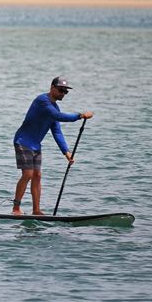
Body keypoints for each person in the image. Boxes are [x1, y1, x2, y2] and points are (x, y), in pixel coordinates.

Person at [11, 77, 93, 215]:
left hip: (36, 145)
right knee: (28, 174)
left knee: (37, 175)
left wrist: (66, 152)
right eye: (61, 90)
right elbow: (58, 116)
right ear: (52, 88)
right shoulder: (42, 101)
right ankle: (16, 208)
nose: (63, 94)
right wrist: (80, 116)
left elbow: (56, 131)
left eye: (65, 92)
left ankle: (36, 210)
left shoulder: (55, 107)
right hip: (23, 141)